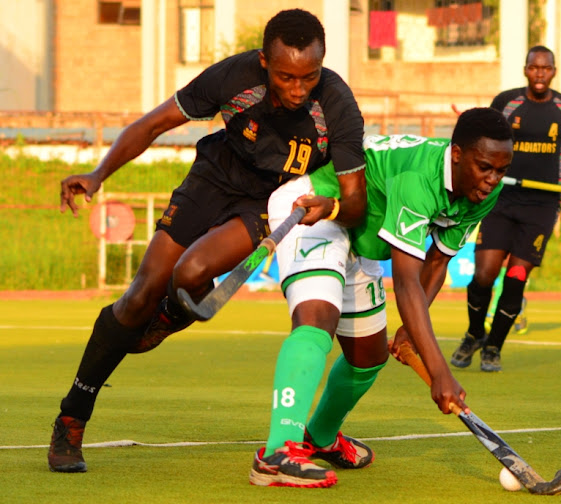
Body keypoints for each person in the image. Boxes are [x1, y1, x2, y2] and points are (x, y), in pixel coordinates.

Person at [48, 9, 367, 473]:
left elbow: (355, 201)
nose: (298, 89)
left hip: (274, 201)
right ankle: (72, 418)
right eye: (286, 77)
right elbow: (152, 124)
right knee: (138, 296)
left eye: (309, 76)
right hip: (212, 179)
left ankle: (177, 310)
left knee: (192, 274)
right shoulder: (233, 77)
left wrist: (331, 208)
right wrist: (98, 175)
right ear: (264, 62)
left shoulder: (336, 104)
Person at [247, 108, 514, 488]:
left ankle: (320, 437)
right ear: (457, 154)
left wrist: (409, 329)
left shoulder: (484, 190)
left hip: (365, 238)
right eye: (485, 167)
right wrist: (439, 372)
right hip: (320, 209)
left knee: (368, 356)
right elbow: (405, 284)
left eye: (501, 171)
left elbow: (438, 259)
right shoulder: (419, 178)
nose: (492, 180)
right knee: (317, 318)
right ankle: (277, 454)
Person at [450, 45, 561, 373]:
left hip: (542, 206)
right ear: (526, 69)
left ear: (554, 72)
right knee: (484, 274)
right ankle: (474, 333)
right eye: (534, 67)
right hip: (502, 198)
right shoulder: (507, 102)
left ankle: (493, 348)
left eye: (546, 68)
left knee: (516, 276)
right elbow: (484, 138)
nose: (539, 74)